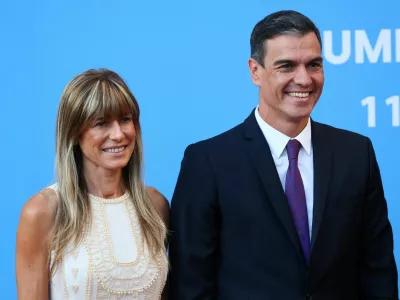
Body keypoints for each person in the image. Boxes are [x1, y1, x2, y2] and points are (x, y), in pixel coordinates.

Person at [169, 10, 398, 300]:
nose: (303, 79)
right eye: (286, 66)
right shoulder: (208, 162)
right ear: (255, 71)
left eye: (314, 65)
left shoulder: (356, 153)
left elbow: (377, 271)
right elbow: (192, 284)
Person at [16, 69, 169, 299]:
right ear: (74, 133)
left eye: (125, 119)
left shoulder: (155, 206)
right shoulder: (42, 212)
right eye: (101, 123)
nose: (118, 134)